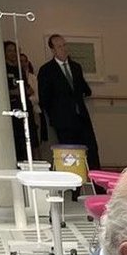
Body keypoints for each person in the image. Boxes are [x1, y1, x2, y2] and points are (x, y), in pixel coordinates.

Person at [37, 33, 100, 170]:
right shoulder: (47, 70)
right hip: (63, 120)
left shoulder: (75, 67)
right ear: (53, 50)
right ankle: (73, 187)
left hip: (81, 117)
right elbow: (44, 98)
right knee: (69, 154)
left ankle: (96, 183)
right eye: (59, 46)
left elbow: (83, 88)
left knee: (91, 149)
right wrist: (55, 116)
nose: (63, 49)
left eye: (64, 45)